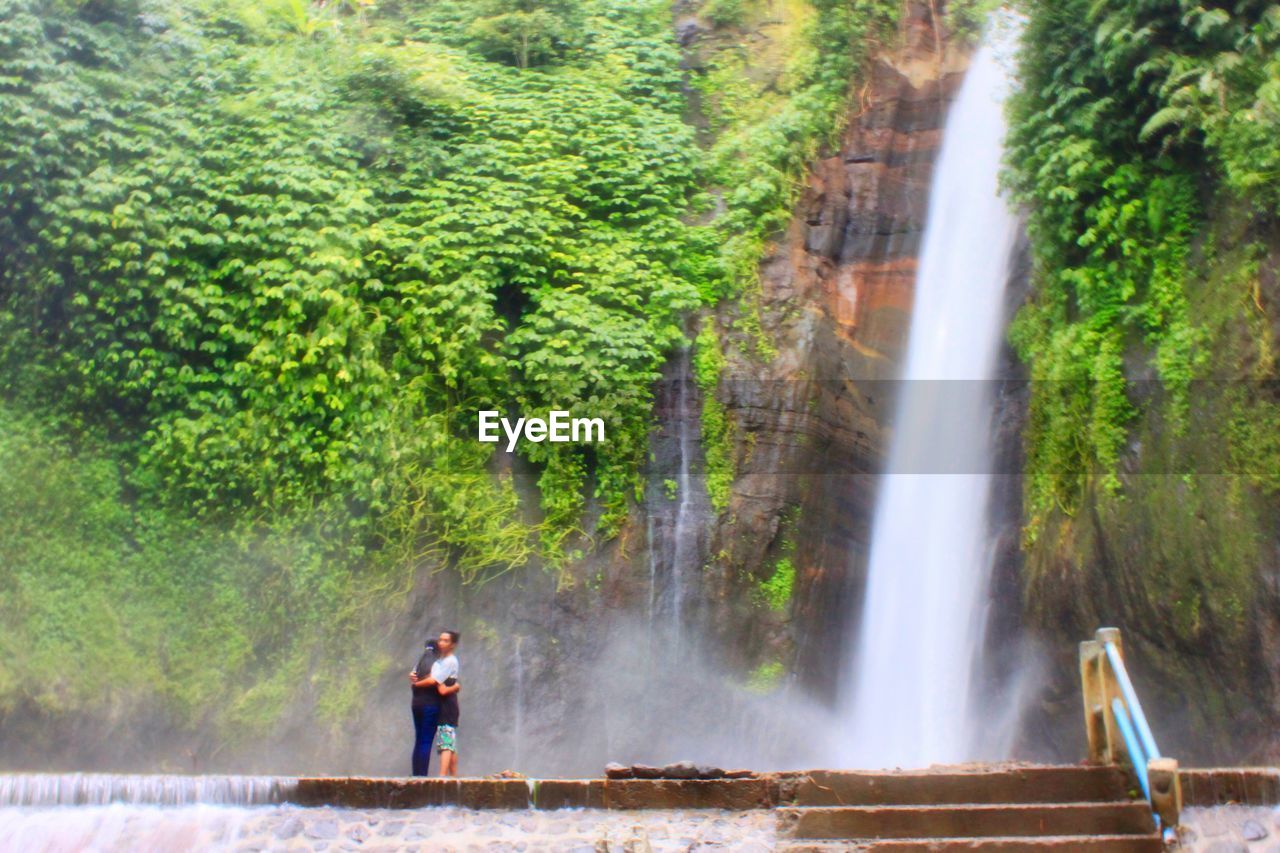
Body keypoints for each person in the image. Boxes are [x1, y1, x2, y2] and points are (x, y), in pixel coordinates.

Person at [408, 639, 442, 776]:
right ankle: (422, 775)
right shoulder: (437, 663)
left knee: (419, 739)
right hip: (430, 705)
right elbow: (434, 680)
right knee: (426, 741)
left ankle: (416, 773)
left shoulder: (419, 663)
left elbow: (413, 676)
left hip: (416, 704)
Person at [431, 631, 461, 776]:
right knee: (450, 741)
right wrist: (455, 687)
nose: (441, 643)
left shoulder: (449, 661)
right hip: (447, 704)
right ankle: (454, 777)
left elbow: (441, 689)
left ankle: (442, 778)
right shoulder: (440, 662)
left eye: (445, 640)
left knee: (446, 743)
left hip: (447, 706)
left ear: (453, 645)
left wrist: (452, 688)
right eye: (440, 639)